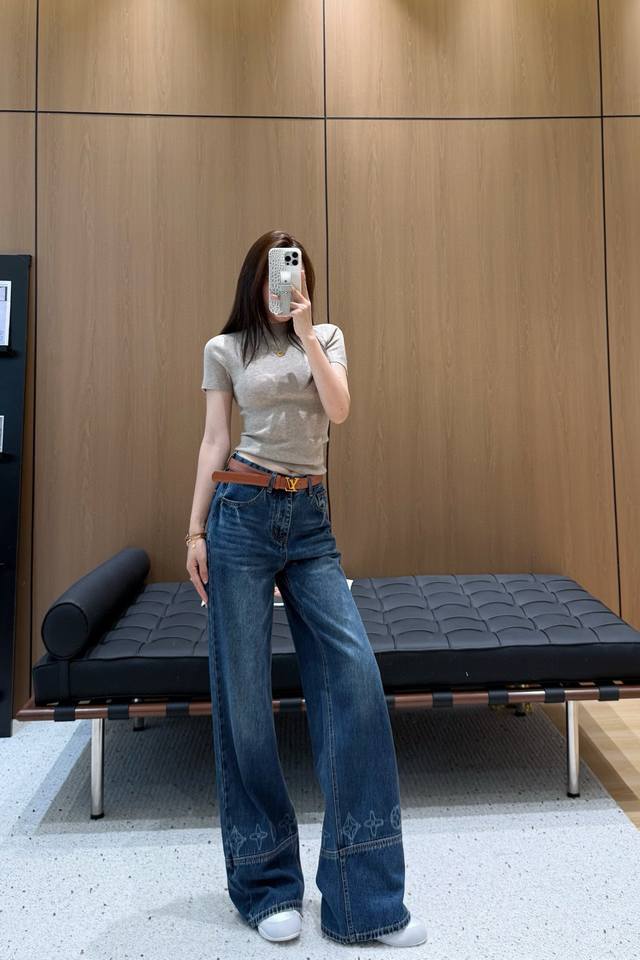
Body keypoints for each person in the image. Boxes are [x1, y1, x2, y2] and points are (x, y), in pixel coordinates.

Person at [186, 230, 426, 947]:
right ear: (253, 280)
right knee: (244, 702)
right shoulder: (225, 348)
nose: (281, 283)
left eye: (291, 273)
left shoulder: (326, 336)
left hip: (311, 521)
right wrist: (194, 532)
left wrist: (305, 333)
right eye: (271, 273)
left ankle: (365, 899)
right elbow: (214, 440)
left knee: (355, 678)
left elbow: (340, 409)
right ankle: (265, 886)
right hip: (241, 514)